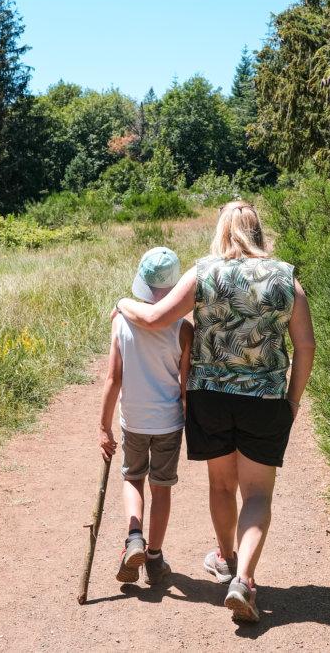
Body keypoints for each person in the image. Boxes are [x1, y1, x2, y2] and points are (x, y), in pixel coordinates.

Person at [115, 201, 316, 623]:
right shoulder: (287, 279)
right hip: (264, 399)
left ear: (222, 231)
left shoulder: (204, 272)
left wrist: (122, 303)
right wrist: (292, 400)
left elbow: (153, 317)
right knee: (257, 494)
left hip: (210, 398)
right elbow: (305, 346)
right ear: (258, 231)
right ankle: (243, 578)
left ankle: (226, 559)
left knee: (222, 487)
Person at [98, 247, 194, 586]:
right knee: (162, 487)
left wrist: (104, 427)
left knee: (132, 478)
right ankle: (154, 558)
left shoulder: (121, 322)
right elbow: (185, 388)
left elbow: (114, 378)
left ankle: (134, 537)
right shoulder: (184, 330)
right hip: (168, 422)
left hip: (134, 419)